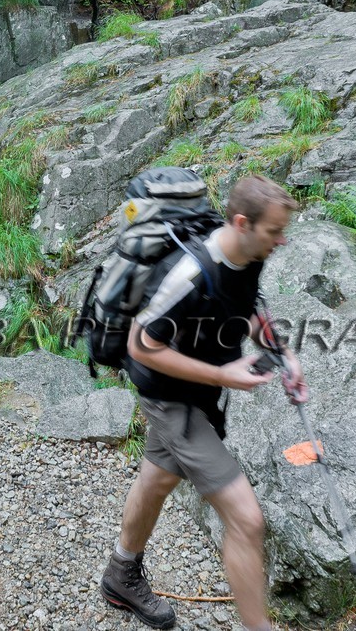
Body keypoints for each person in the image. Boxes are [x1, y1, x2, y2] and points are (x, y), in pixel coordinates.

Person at [102, 175, 304, 631]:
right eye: (274, 231)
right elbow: (140, 345)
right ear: (241, 222)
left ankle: (121, 573)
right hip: (170, 397)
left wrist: (285, 357)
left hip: (199, 394)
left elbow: (251, 307)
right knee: (248, 521)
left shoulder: (248, 252)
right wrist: (223, 375)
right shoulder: (189, 273)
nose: (282, 239)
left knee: (157, 477)